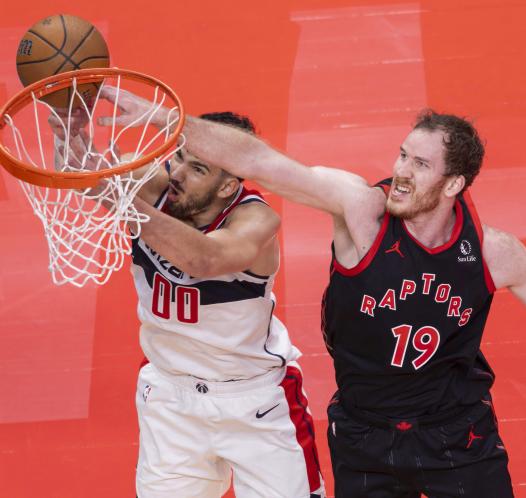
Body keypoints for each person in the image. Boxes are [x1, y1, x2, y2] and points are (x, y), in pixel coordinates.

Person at [99, 90, 526, 498]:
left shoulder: (493, 252)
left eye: (420, 165)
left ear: (453, 186)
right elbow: (259, 163)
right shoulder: (361, 211)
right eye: (402, 155)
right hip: (364, 433)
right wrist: (159, 117)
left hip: (457, 433)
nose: (399, 171)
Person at [52, 111, 325, 498]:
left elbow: (204, 260)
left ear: (228, 186)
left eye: (197, 168)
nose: (177, 172)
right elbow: (77, 168)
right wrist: (66, 125)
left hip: (254, 402)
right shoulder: (155, 185)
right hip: (170, 397)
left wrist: (124, 202)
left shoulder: (256, 221)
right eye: (179, 155)